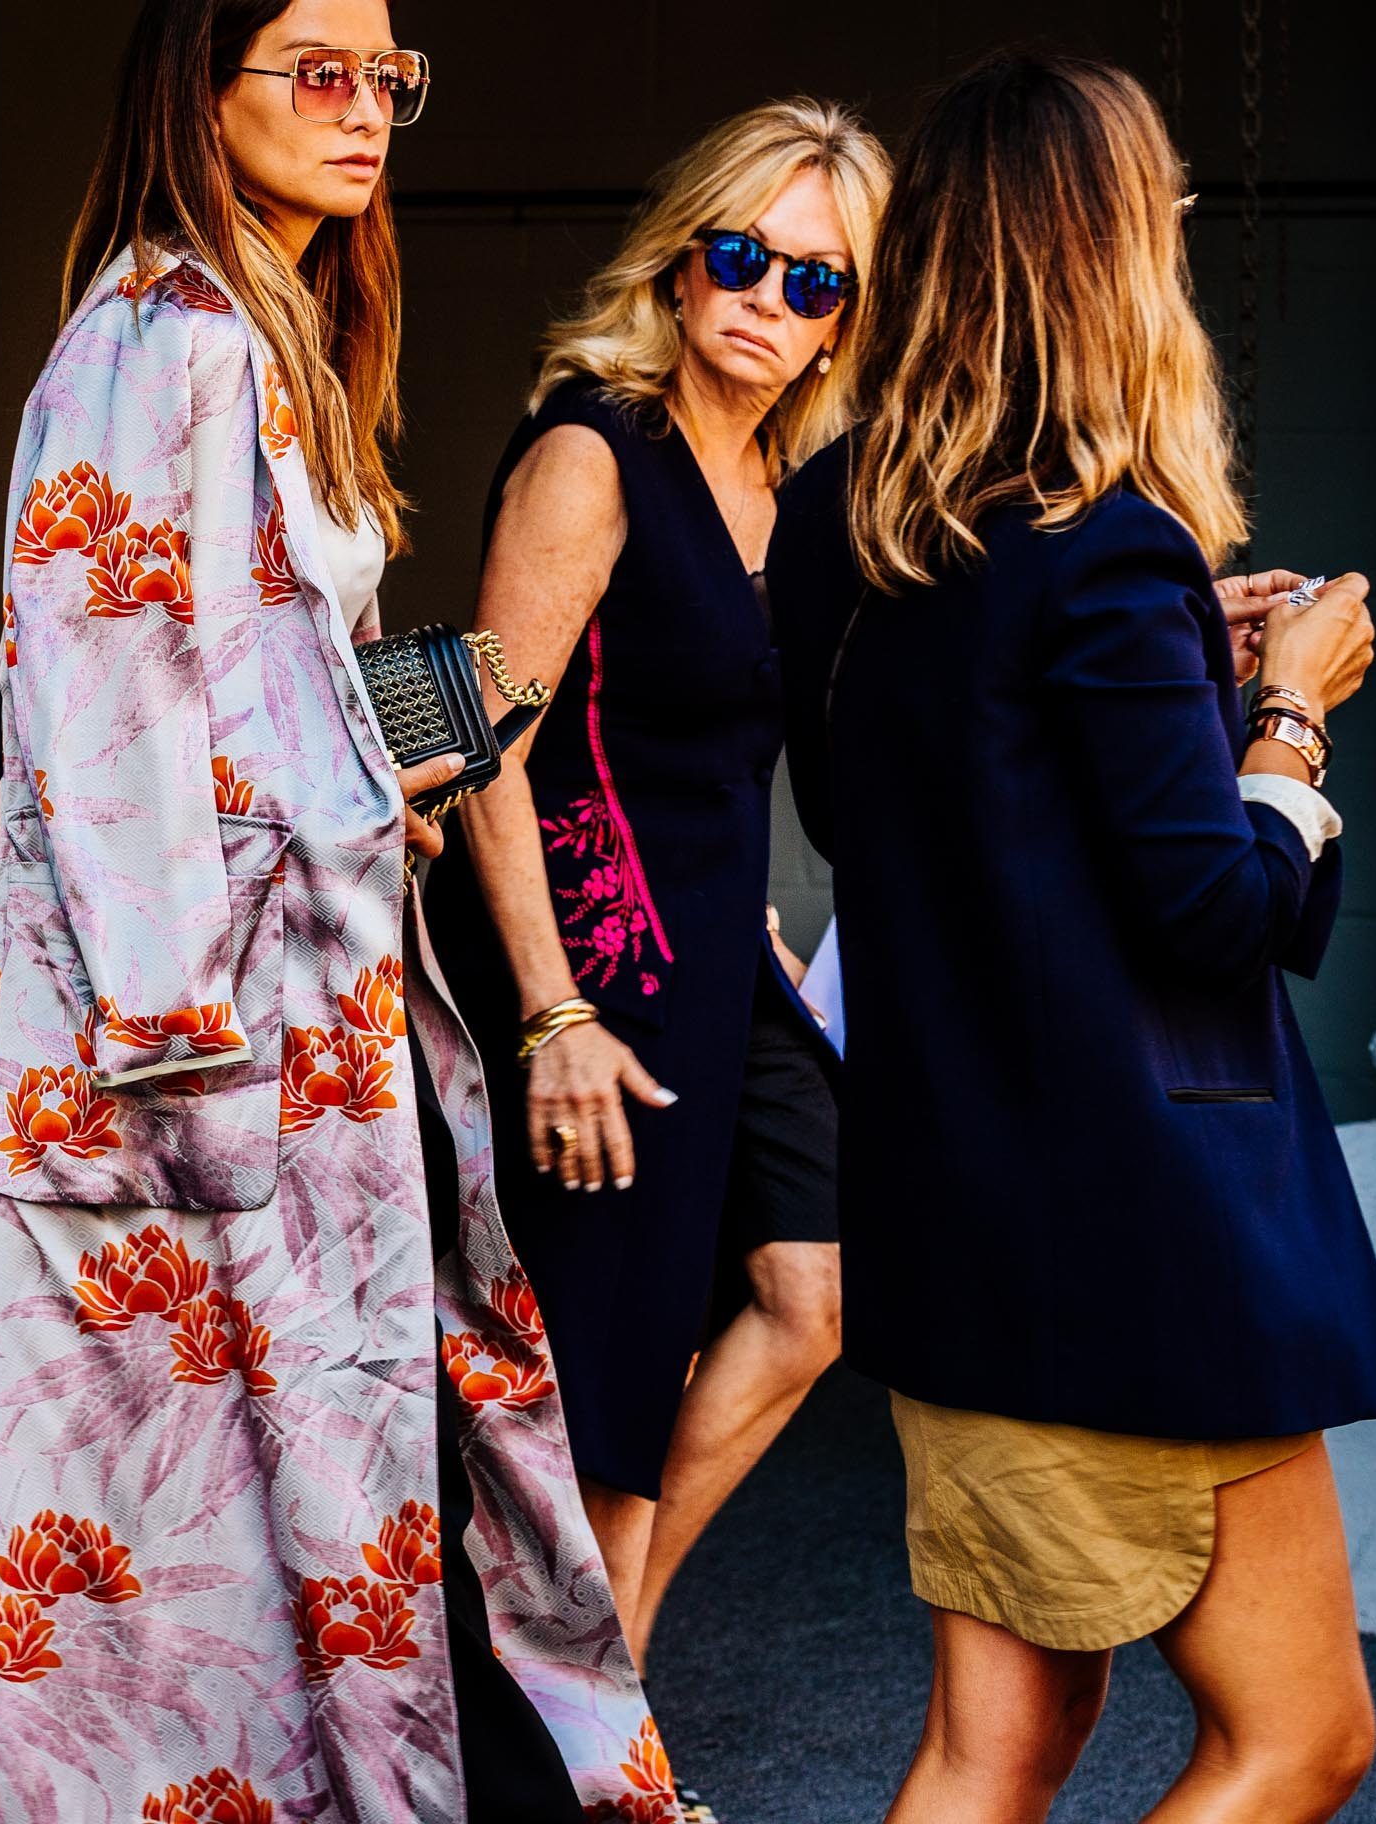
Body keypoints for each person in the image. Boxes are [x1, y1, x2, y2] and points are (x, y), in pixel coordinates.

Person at [0, 0, 675, 1820]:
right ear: (198, 100)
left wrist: (408, 713)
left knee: (245, 1544)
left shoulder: (259, 336)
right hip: (193, 1078)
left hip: (280, 1044)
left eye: (391, 77)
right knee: (141, 1574)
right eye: (318, 72)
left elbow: (243, 699)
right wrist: (197, 1100)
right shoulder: (167, 335)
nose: (366, 111)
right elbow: (107, 731)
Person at [766, 51, 1376, 1824]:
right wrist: (1289, 711)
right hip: (1147, 1253)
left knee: (999, 1748)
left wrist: (1190, 655)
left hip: (956, 1221)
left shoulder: (840, 518)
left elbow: (935, 789)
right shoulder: (1106, 545)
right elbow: (1216, 910)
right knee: (1304, 1742)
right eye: (1162, 206)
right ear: (1101, 249)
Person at [423, 101, 889, 1709]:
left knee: (809, 1296)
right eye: (744, 257)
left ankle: (601, 1671)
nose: (770, 299)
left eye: (816, 282)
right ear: (684, 262)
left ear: (846, 321)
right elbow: (482, 747)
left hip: (721, 966)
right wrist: (549, 1011)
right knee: (612, 1378)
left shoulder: (790, 493)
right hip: (590, 976)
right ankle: (579, 1732)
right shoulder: (589, 449)